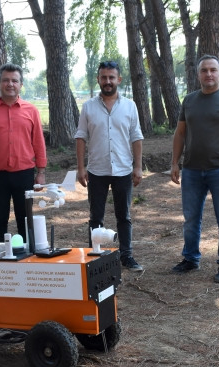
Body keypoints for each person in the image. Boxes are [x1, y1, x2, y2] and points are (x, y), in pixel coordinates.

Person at [170, 54, 219, 283]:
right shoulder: (190, 100)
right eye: (204, 70)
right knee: (191, 219)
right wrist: (175, 162)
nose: (209, 74)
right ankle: (191, 259)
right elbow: (180, 133)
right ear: (198, 75)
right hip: (192, 170)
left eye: (213, 70)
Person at [75, 61, 144, 272]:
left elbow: (136, 137)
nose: (107, 81)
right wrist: (80, 168)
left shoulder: (130, 106)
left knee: (124, 216)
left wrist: (138, 166)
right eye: (104, 77)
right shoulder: (88, 107)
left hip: (123, 169)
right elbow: (81, 137)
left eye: (111, 77)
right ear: (98, 79)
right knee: (96, 217)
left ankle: (127, 256)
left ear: (118, 80)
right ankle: (95, 256)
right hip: (97, 170)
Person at [0, 63, 47, 243]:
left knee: (25, 219)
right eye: (6, 80)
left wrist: (41, 172)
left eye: (14, 80)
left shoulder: (31, 110)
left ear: (21, 84)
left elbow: (39, 142)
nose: (10, 84)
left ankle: (28, 259)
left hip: (24, 175)